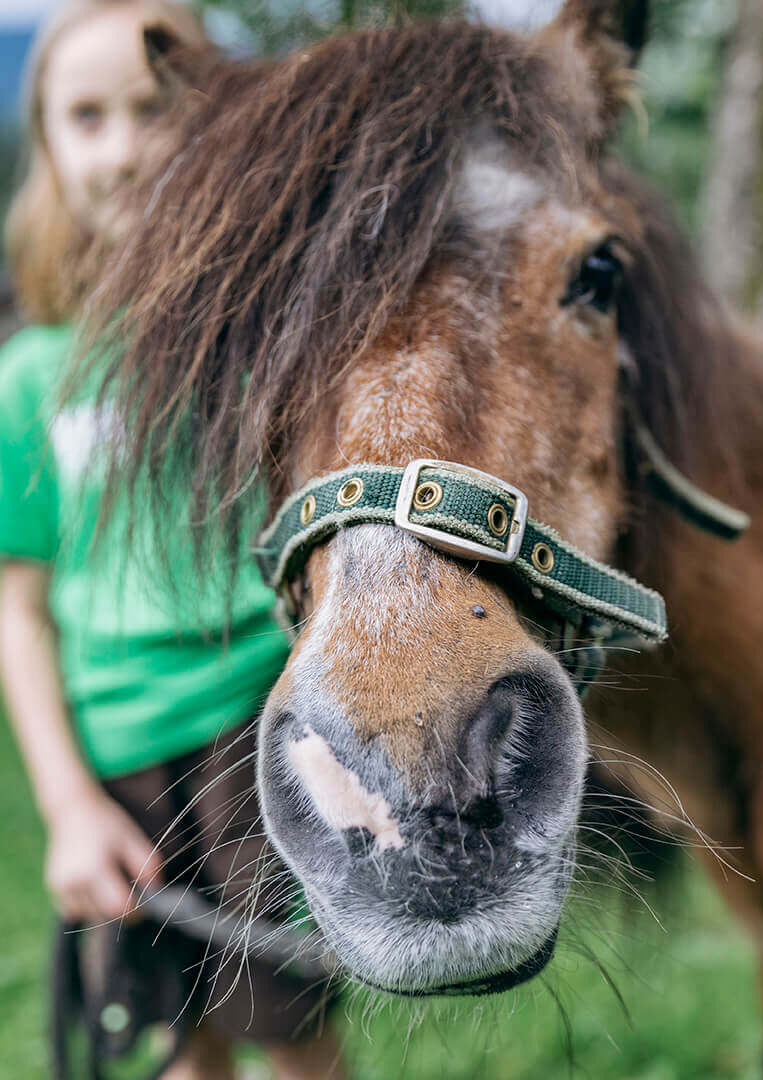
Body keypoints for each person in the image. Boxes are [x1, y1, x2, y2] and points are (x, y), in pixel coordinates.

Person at [0, 3, 344, 1077]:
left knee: (294, 1039)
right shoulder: (29, 379)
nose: (126, 145)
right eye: (87, 117)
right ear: (49, 152)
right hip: (120, 769)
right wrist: (65, 806)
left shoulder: (275, 340)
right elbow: (17, 603)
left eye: (156, 108)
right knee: (178, 1047)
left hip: (263, 738)